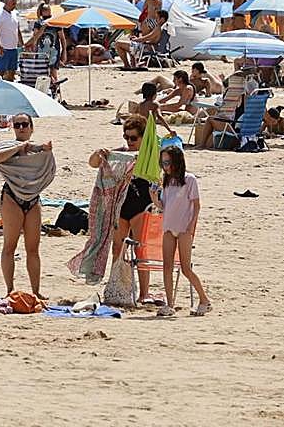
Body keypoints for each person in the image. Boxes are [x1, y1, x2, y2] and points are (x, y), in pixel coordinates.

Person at [89, 114, 153, 304]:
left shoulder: (150, 157)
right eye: (126, 137)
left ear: (143, 137)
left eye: (134, 138)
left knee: (141, 250)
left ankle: (144, 293)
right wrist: (99, 153)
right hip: (121, 206)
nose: (130, 141)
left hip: (142, 206)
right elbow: (93, 163)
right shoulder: (120, 154)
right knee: (118, 249)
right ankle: (119, 288)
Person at [0, 113, 55, 298]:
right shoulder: (6, 147)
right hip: (11, 197)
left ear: (31, 127)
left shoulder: (39, 151)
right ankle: (9, 289)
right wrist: (21, 146)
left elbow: (49, 170)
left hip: (33, 199)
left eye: (25, 124)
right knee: (9, 245)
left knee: (33, 248)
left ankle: (36, 290)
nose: (21, 128)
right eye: (17, 125)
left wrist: (39, 149)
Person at [149, 145, 211, 317]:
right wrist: (154, 198)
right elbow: (164, 206)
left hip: (184, 228)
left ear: (176, 161)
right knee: (167, 266)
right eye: (162, 163)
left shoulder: (189, 179)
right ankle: (170, 304)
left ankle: (204, 299)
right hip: (169, 227)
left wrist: (192, 226)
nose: (165, 166)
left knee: (185, 268)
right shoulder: (167, 181)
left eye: (167, 162)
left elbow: (196, 205)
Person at [0, 0, 22, 80]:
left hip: (14, 48)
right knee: (1, 72)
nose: (14, 6)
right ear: (6, 3)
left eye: (15, 4)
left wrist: (21, 43)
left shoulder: (14, 13)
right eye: (12, 4)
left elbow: (17, 29)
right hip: (4, 48)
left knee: (12, 71)